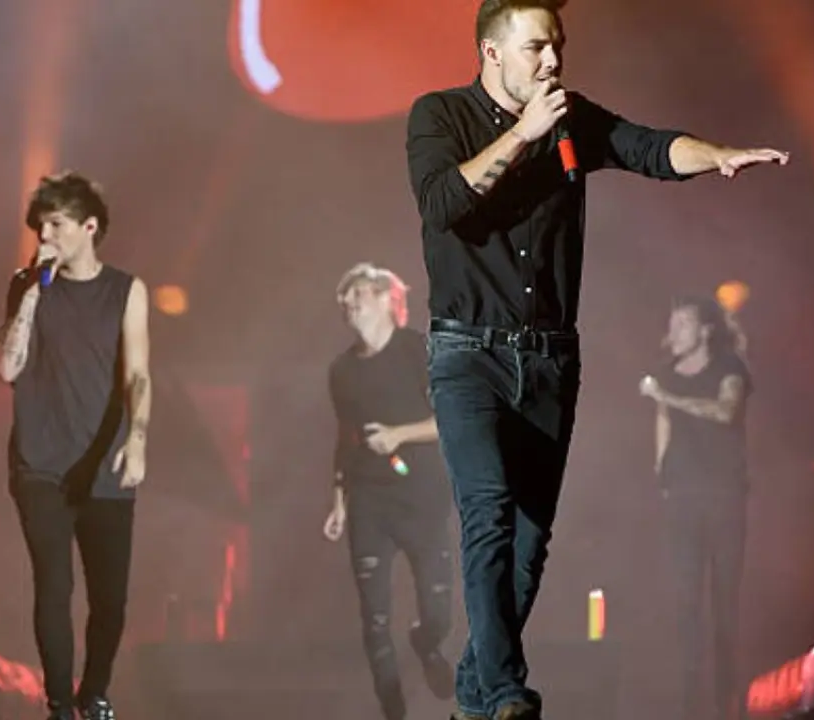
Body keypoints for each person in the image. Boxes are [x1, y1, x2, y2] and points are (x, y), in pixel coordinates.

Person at [405, 0, 788, 717]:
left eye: (558, 45)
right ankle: (505, 689)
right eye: (536, 48)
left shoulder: (570, 119)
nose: (553, 61)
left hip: (550, 358)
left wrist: (717, 156)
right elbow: (443, 202)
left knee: (529, 542)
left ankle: (474, 696)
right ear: (492, 52)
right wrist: (524, 134)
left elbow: (649, 147)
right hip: (468, 354)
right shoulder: (439, 114)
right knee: (488, 511)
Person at [0, 171, 151, 720]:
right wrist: (32, 296)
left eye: (56, 224)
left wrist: (138, 438)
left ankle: (94, 692)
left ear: (89, 227)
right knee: (54, 587)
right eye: (40, 226)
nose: (45, 236)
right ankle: (59, 704)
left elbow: (138, 375)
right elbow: (6, 367)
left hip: (104, 463)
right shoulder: (26, 285)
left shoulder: (126, 291)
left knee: (110, 599)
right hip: (40, 464)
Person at [323, 262, 456, 720]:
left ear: (385, 299)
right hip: (368, 499)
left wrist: (399, 435)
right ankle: (391, 703)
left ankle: (427, 642)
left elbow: (452, 419)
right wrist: (338, 498)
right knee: (374, 615)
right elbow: (345, 438)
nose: (348, 302)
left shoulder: (418, 351)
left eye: (358, 293)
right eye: (344, 298)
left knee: (439, 607)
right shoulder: (341, 371)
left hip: (423, 498)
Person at [639, 297, 752, 720]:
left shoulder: (729, 368)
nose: (674, 332)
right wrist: (661, 476)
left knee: (724, 601)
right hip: (682, 498)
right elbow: (664, 423)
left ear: (705, 330)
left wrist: (666, 396)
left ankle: (727, 701)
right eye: (672, 324)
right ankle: (690, 703)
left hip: (724, 497)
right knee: (686, 602)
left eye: (683, 324)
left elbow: (725, 411)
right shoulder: (667, 375)